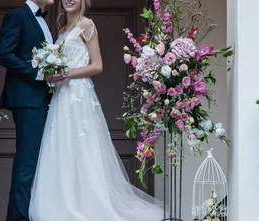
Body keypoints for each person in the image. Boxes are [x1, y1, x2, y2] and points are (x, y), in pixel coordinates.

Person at [28, 0, 167, 220]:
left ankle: (90, 204)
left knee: (83, 146)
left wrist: (66, 73)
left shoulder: (87, 25)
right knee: (63, 145)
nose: (69, 0)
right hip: (61, 96)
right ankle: (64, 202)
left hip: (79, 94)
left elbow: (97, 65)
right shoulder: (63, 30)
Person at [0, 0, 58, 220]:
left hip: (46, 98)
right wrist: (40, 74)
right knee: (27, 163)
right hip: (27, 99)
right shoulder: (17, 15)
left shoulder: (45, 19)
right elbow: (4, 54)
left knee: (42, 161)